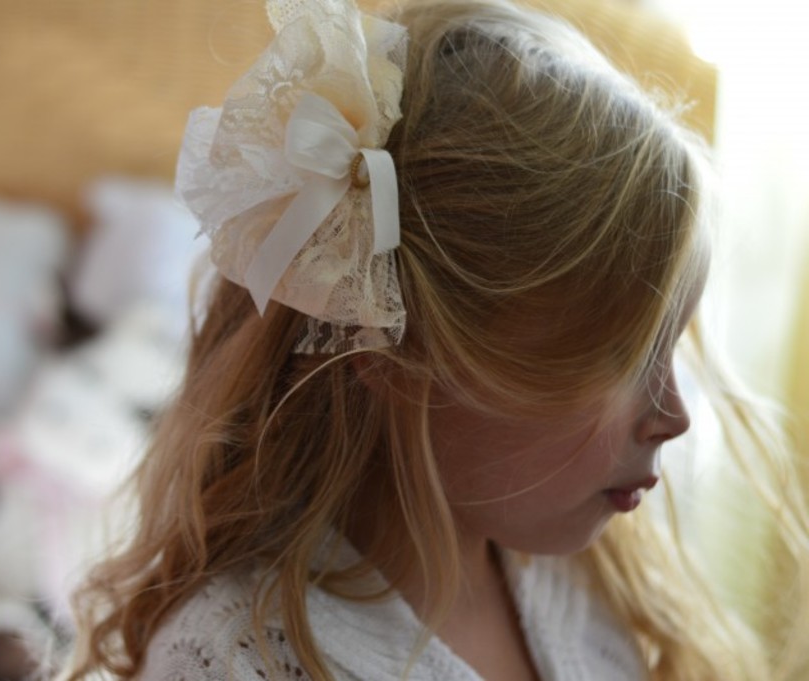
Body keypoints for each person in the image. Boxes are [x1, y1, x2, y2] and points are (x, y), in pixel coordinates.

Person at [60, 0, 809, 679]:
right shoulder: (239, 659)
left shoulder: (582, 582)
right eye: (623, 356)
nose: (675, 416)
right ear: (391, 349)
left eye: (668, 350)